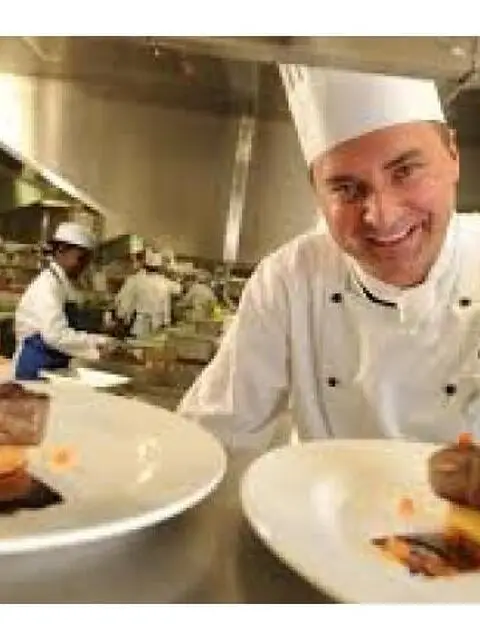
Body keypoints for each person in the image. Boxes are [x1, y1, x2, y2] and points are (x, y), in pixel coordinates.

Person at [178, 65, 480, 452]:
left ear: (453, 154)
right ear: (316, 192)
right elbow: (210, 437)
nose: (382, 217)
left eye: (405, 171)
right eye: (346, 188)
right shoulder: (289, 280)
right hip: (322, 492)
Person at [14, 221, 113, 380]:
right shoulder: (47, 285)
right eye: (81, 259)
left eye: (87, 261)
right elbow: (55, 334)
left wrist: (100, 339)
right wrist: (97, 344)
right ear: (61, 250)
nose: (84, 266)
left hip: (54, 363)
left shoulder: (63, 283)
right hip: (35, 365)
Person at [114, 252, 181, 337]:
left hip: (141, 326)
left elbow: (123, 303)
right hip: (161, 326)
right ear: (159, 268)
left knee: (141, 343)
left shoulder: (136, 280)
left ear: (145, 265)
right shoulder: (165, 282)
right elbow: (179, 289)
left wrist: (121, 317)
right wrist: (172, 272)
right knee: (157, 344)